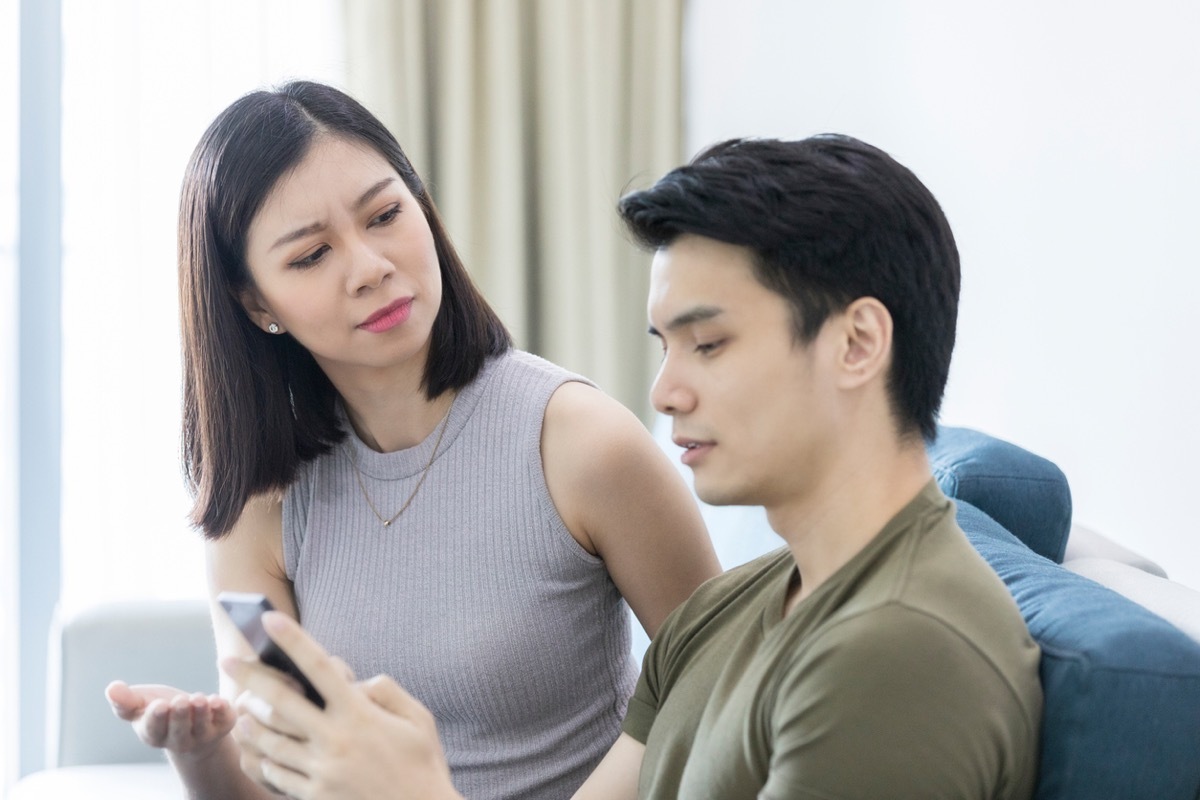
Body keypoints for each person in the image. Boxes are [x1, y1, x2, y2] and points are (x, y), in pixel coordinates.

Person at [227, 133, 1045, 799]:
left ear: (857, 344)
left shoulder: (898, 657)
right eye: (666, 347)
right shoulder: (722, 617)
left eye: (709, 344)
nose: (665, 392)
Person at [104, 80, 721, 800]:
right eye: (311, 255)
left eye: (386, 215)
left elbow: (716, 697)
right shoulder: (262, 503)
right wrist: (202, 753)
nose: (370, 267)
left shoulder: (583, 444)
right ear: (255, 302)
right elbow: (276, 778)